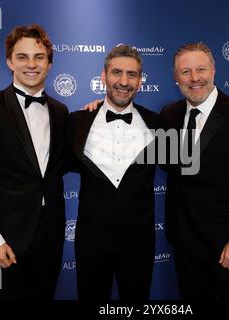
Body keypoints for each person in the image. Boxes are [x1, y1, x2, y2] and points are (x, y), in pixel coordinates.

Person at [0, 24, 69, 299]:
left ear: (49, 63)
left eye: (39, 57)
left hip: (50, 235)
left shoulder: (60, 111)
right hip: (5, 238)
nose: (31, 65)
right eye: (22, 57)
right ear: (10, 61)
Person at [160, 42, 229, 300]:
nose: (194, 78)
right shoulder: (169, 114)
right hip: (184, 242)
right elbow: (165, 162)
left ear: (214, 71)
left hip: (227, 245)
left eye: (201, 69)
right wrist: (100, 107)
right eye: (185, 72)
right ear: (175, 77)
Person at [67, 45, 160, 300]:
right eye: (116, 73)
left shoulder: (157, 123)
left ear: (140, 81)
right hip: (91, 244)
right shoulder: (78, 122)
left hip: (139, 245)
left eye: (132, 75)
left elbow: (187, 168)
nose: (123, 81)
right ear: (103, 77)